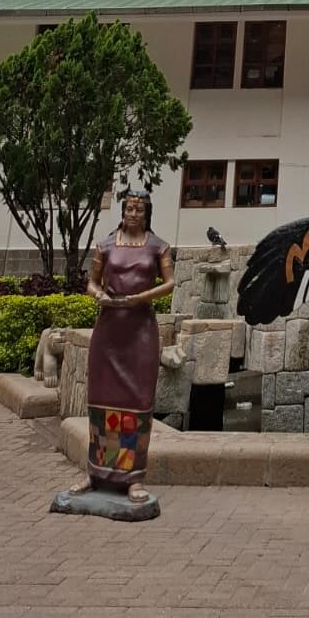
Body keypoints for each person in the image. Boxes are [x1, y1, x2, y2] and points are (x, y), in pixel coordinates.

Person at [69, 189, 174, 506]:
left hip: (140, 331)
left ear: (147, 213)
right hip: (109, 331)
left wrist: (140, 297)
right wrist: (98, 294)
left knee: (137, 403)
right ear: (122, 211)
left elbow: (169, 283)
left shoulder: (159, 247)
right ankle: (96, 472)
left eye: (139, 210)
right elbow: (91, 281)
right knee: (102, 401)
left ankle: (133, 477)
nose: (133, 214)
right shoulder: (106, 245)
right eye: (129, 208)